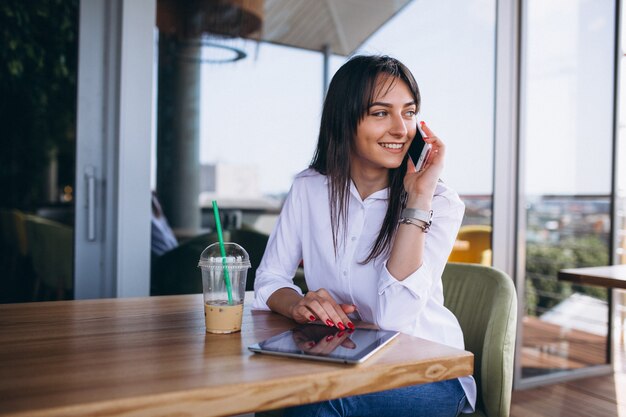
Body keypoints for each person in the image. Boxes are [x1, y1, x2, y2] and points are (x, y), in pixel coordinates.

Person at [253, 55, 476, 417]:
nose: (401, 129)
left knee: (312, 401)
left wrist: (417, 199)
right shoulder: (309, 188)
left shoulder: (440, 202)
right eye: (380, 113)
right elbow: (269, 278)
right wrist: (297, 304)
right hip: (340, 360)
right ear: (345, 119)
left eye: (408, 112)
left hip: (426, 371)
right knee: (268, 394)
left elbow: (394, 318)